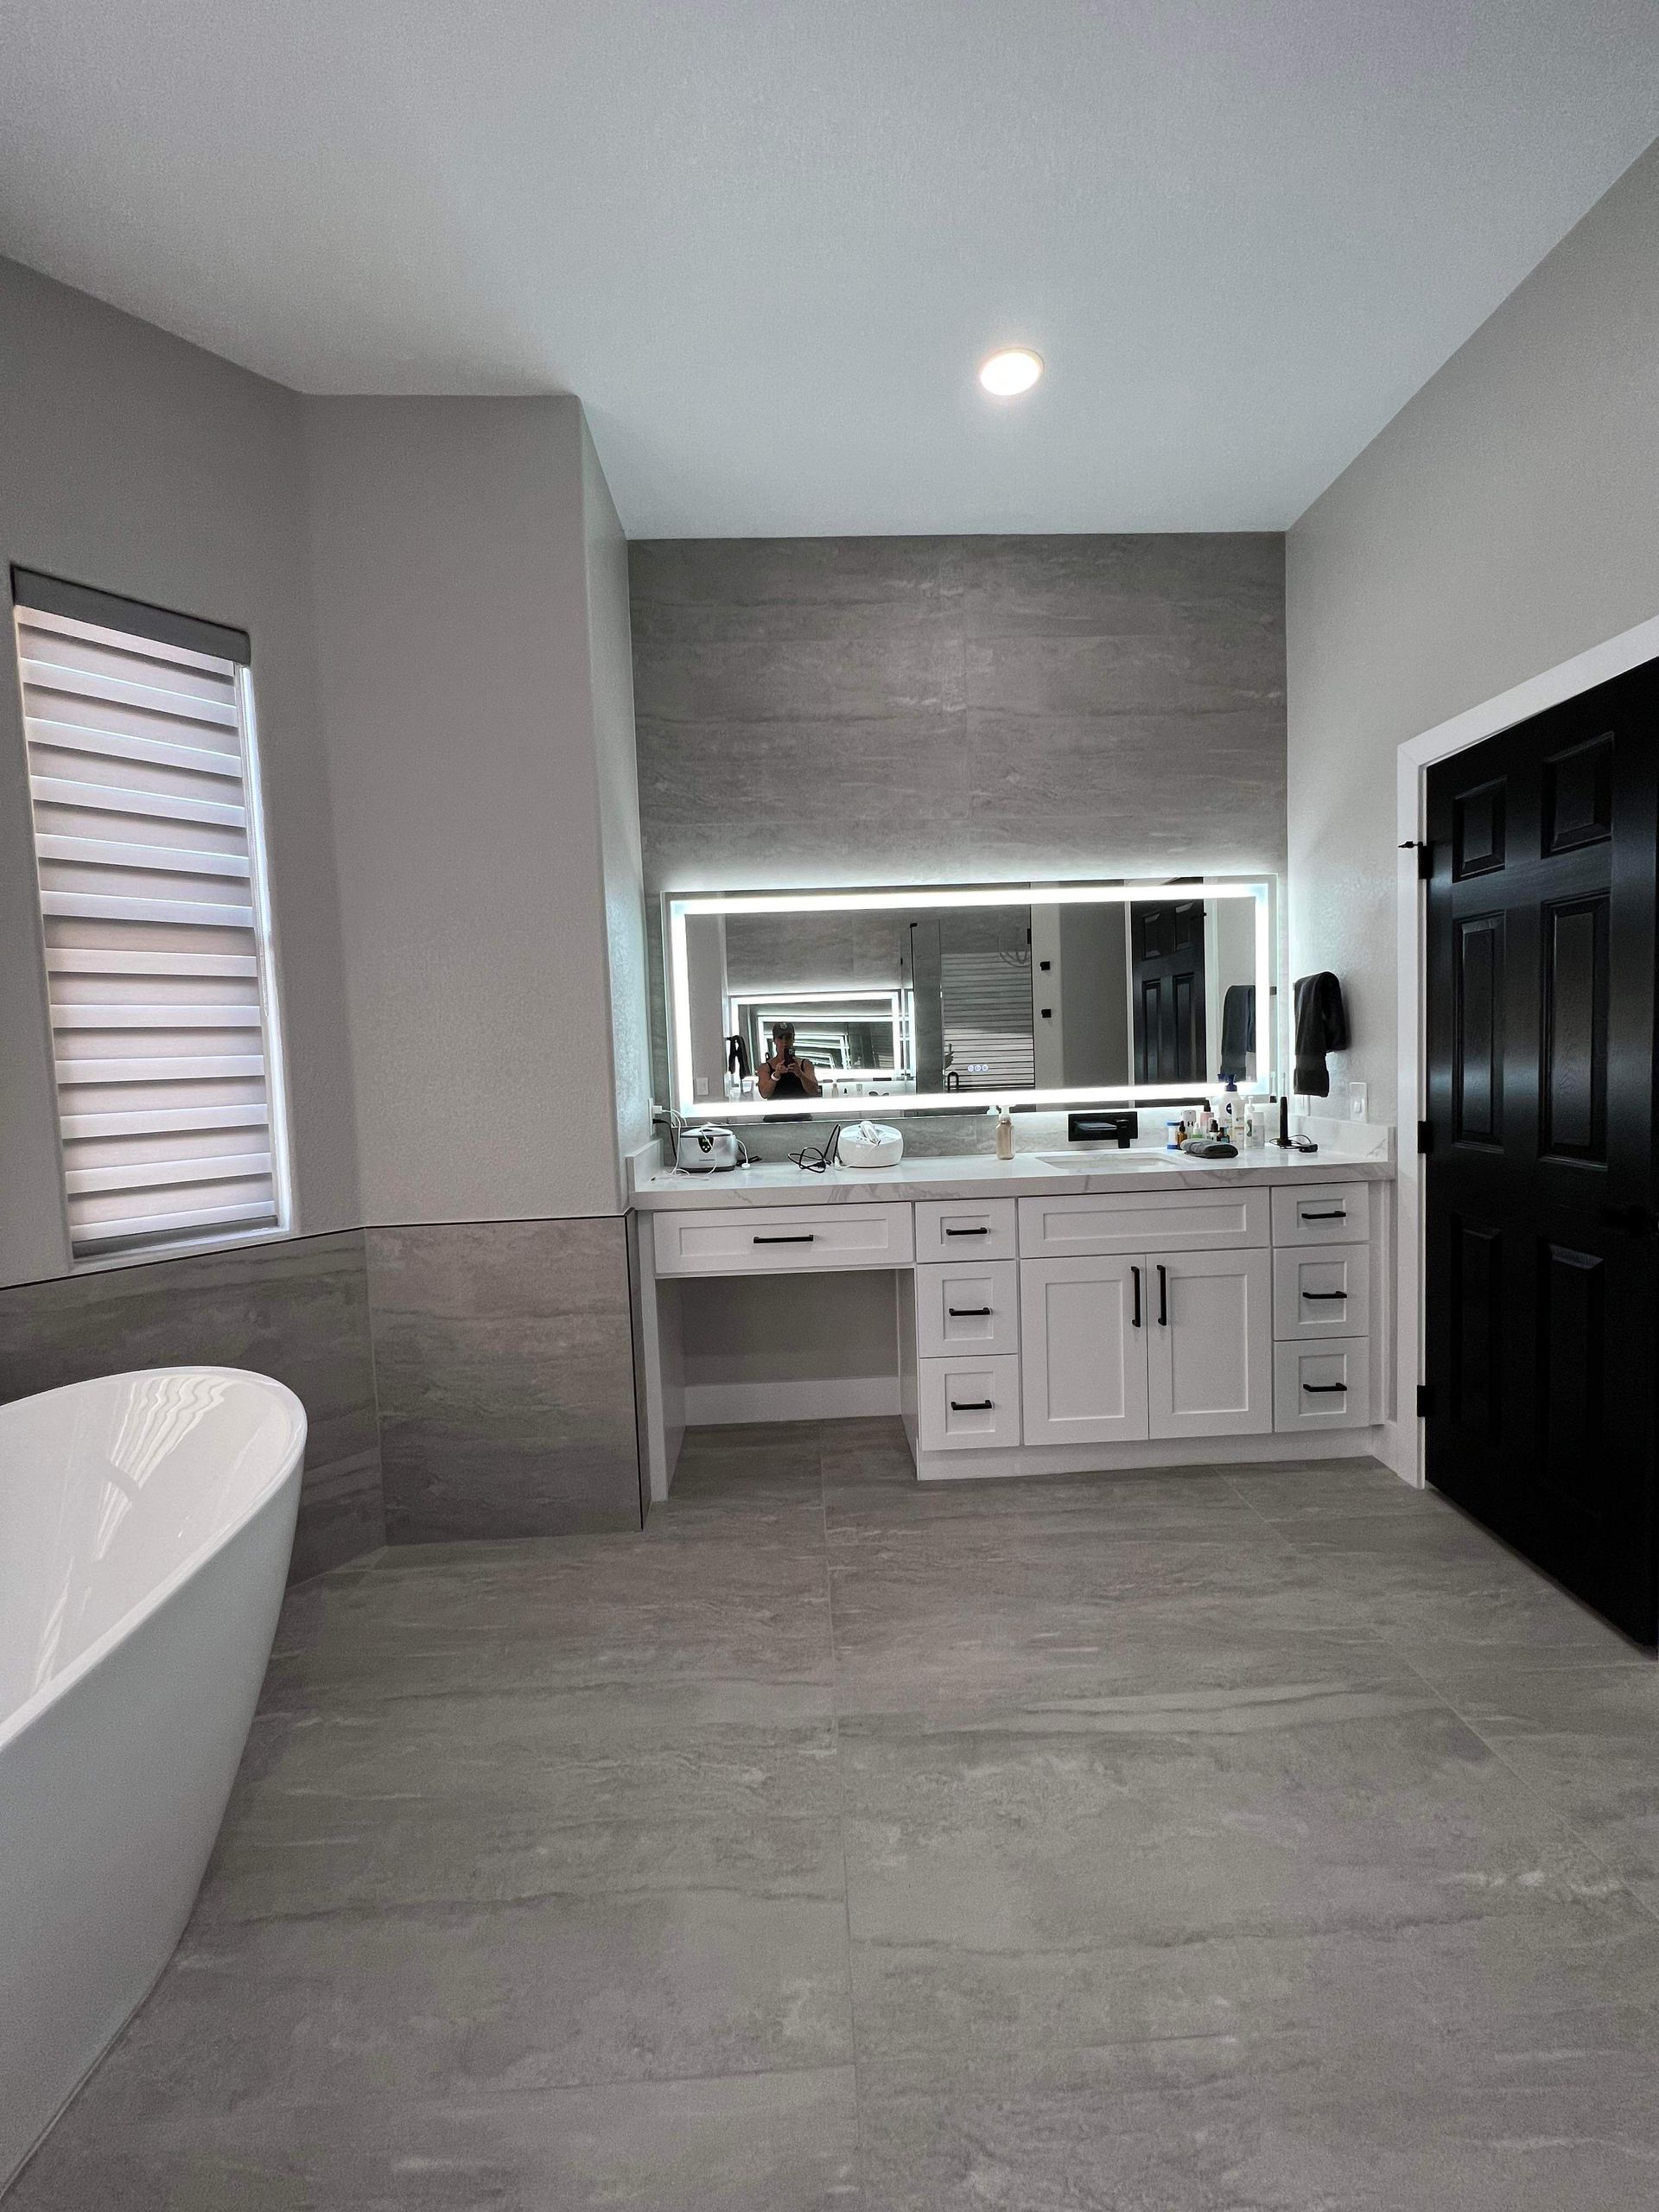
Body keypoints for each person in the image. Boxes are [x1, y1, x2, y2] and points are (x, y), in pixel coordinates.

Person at [756, 1021, 821, 1100]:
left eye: (788, 1038)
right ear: (775, 1041)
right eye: (780, 1038)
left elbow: (814, 1090)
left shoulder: (805, 1064)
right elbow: (764, 1094)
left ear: (793, 1039)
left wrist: (800, 1074)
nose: (784, 1042)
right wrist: (775, 1075)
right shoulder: (765, 1068)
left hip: (801, 1111)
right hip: (777, 1111)